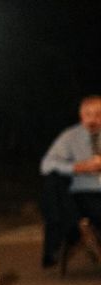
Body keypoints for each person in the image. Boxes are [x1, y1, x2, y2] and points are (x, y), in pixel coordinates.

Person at [40, 95, 101, 267]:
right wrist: (77, 167)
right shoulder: (70, 136)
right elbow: (47, 164)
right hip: (85, 192)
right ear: (82, 116)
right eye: (89, 114)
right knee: (53, 185)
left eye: (98, 114)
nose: (93, 119)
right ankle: (68, 238)